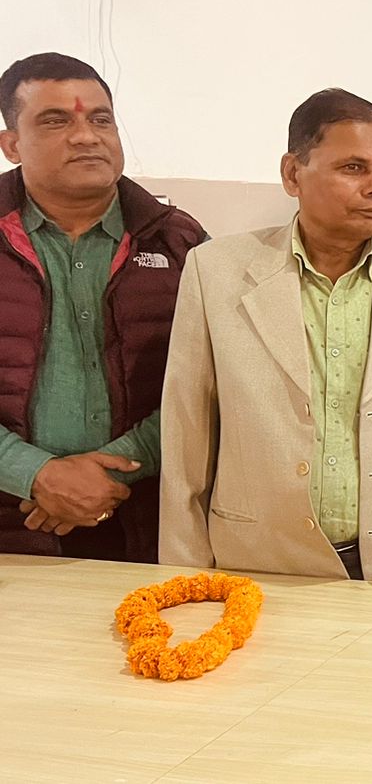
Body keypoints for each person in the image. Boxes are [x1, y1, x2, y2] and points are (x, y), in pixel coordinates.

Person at [160, 89, 372, 587]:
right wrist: (186, 579)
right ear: (292, 174)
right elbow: (186, 435)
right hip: (257, 563)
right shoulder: (217, 272)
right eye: (353, 168)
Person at [0, 52, 207, 561]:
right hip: (10, 518)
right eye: (56, 121)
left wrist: (113, 467)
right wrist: (33, 473)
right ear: (12, 145)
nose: (86, 136)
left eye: (100, 120)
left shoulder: (182, 243)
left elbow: (215, 382)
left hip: (148, 521)